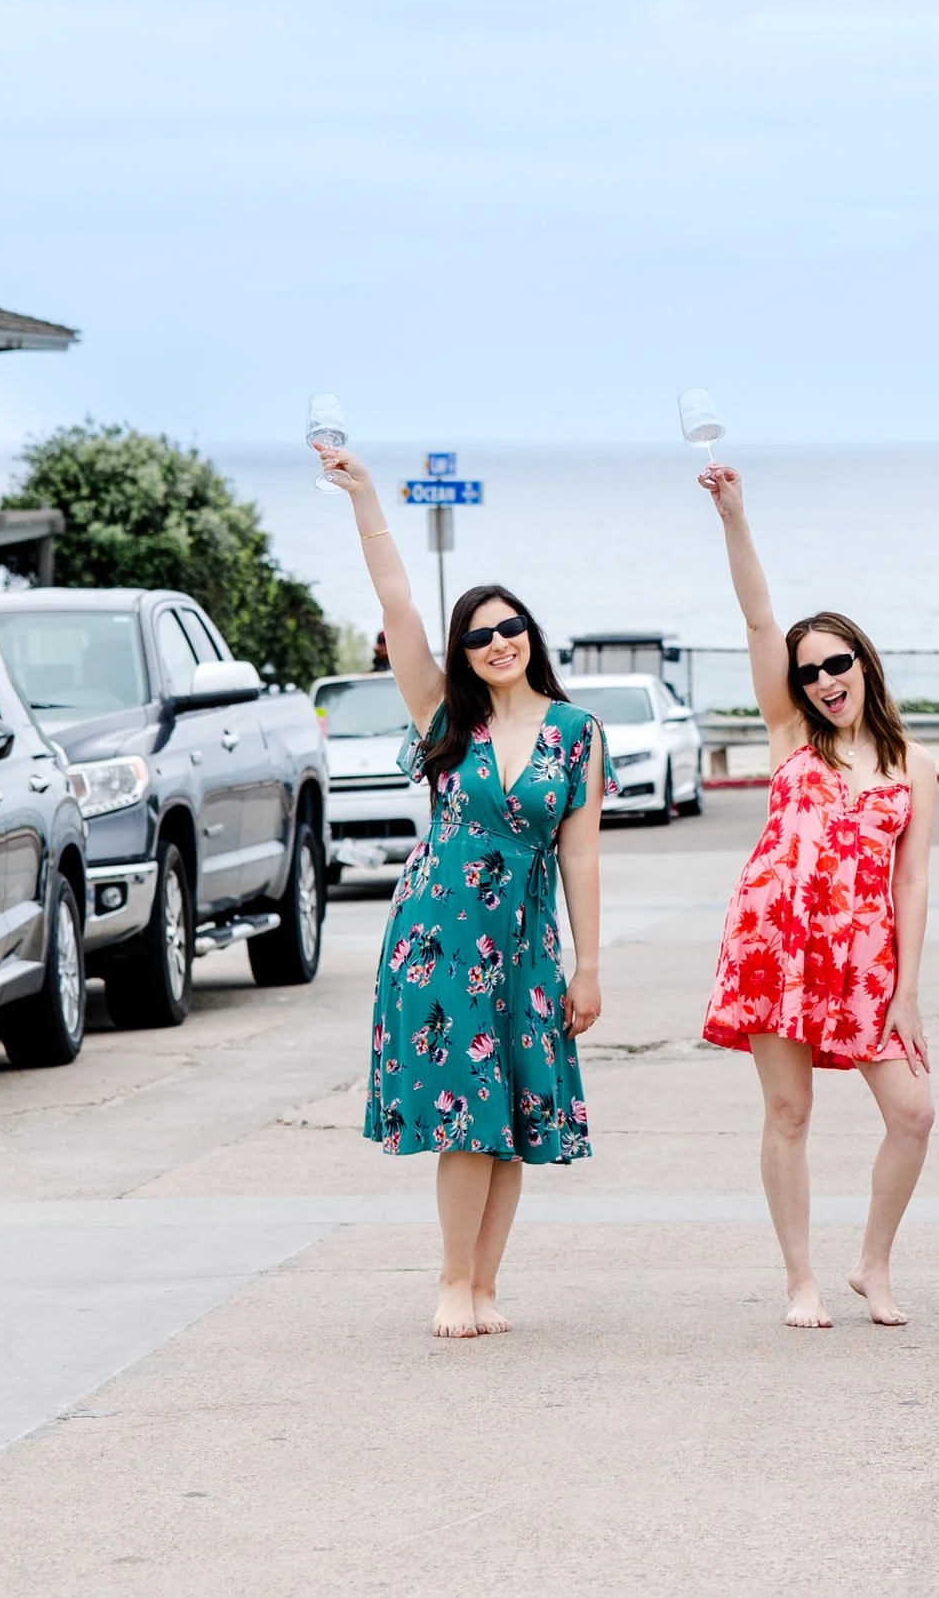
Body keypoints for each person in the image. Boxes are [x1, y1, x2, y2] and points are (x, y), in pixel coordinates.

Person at [318, 443, 607, 1340]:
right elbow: (398, 604)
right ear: (464, 650)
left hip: (524, 942)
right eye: (478, 634)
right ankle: (450, 1279)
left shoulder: (575, 732)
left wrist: (588, 965)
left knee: (512, 1115)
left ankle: (485, 1283)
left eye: (509, 625)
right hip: (441, 936)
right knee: (463, 1116)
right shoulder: (446, 717)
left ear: (532, 632)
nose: (496, 642)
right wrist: (365, 496)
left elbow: (582, 859)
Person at [697, 464, 939, 1329]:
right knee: (789, 1110)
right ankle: (800, 1277)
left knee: (915, 1110)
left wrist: (907, 990)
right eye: (810, 672)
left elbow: (910, 879)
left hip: (867, 959)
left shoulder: (914, 764)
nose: (826, 679)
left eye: (839, 662)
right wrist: (734, 517)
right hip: (776, 944)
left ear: (864, 664)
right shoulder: (791, 732)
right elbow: (760, 616)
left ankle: (871, 1262)